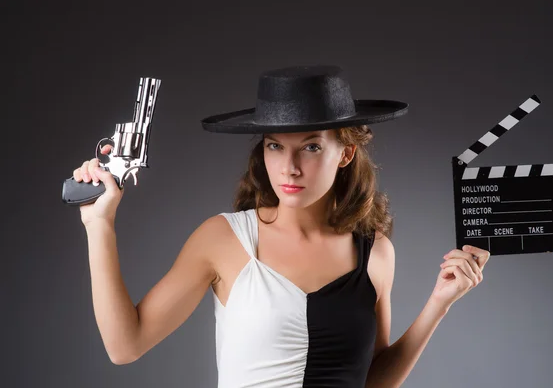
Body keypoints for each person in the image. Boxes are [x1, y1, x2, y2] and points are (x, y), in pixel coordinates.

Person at [72, 65, 490, 387]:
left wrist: (439, 302)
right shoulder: (223, 239)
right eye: (275, 146)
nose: (289, 167)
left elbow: (371, 380)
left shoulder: (375, 251)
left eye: (310, 147)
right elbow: (125, 346)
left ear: (344, 154)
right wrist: (99, 225)